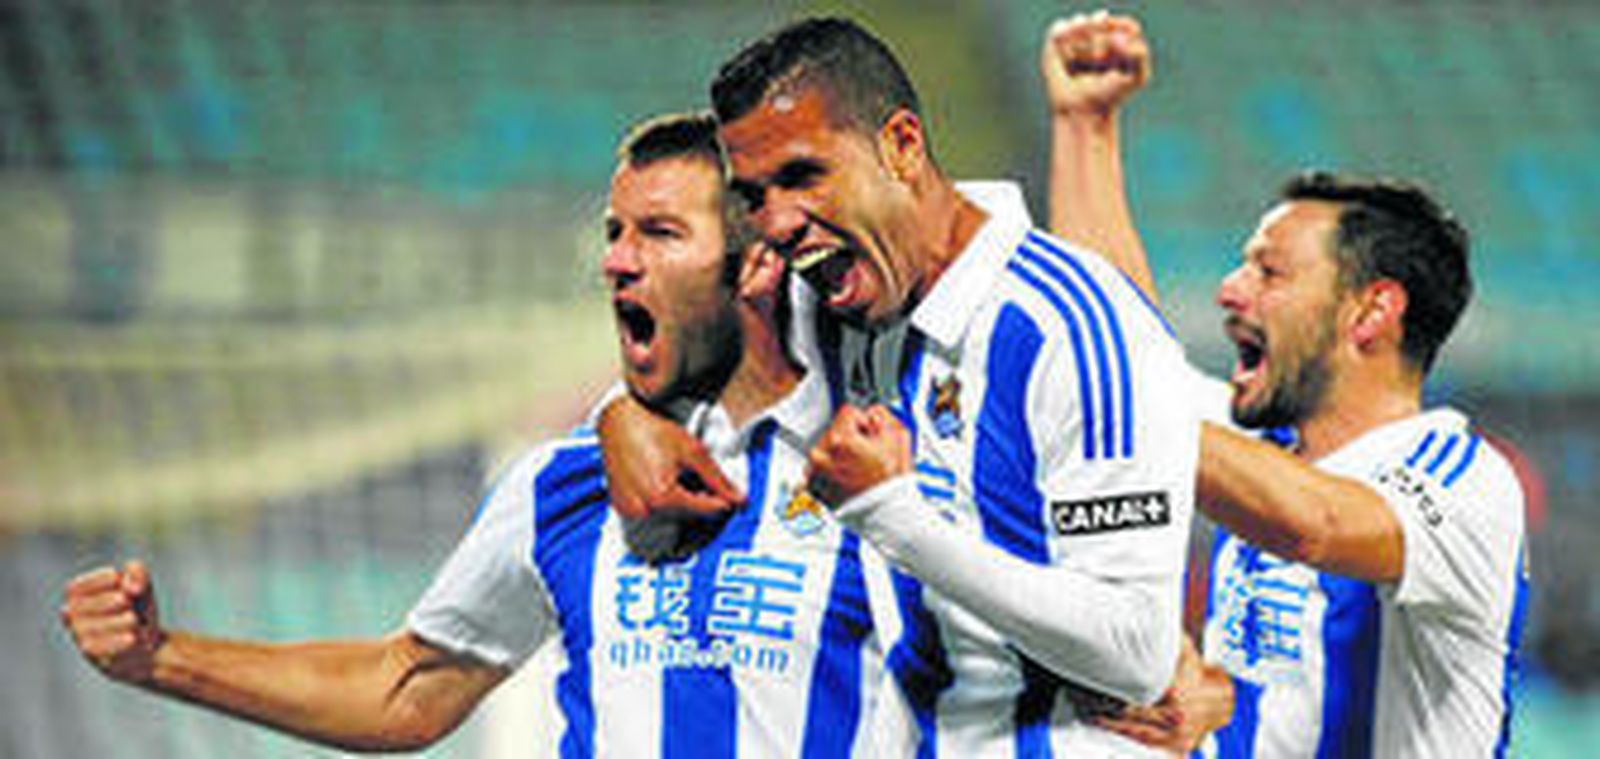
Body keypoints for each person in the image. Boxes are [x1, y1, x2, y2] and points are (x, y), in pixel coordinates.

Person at [59, 112, 896, 756]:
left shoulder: (881, 458)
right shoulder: (565, 484)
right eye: (614, 232)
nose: (616, 260)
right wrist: (158, 656)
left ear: (758, 262)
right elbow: (408, 687)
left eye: (660, 232)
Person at [602, 16, 1201, 756]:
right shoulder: (830, 300)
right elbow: (690, 347)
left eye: (803, 175)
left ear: (903, 146)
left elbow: (1137, 652)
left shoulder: (1071, 328)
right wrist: (624, 418)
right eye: (754, 195)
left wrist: (893, 514)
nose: (777, 222)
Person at [1043, 13, 1530, 757]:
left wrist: (1129, 413)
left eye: (1268, 272)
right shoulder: (1263, 449)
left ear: (1372, 312)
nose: (1229, 290)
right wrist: (1085, 125)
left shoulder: (1464, 483)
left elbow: (1316, 524)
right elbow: (1111, 337)